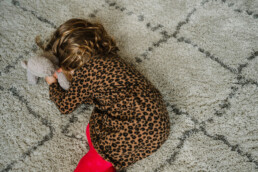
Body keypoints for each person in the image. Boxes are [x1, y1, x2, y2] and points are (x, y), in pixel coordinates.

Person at [44, 18, 170, 172]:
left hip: (139, 128)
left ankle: (103, 160)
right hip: (157, 117)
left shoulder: (85, 73)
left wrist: (52, 84)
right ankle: (106, 163)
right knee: (93, 129)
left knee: (88, 165)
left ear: (71, 64)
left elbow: (65, 106)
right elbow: (101, 91)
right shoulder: (110, 57)